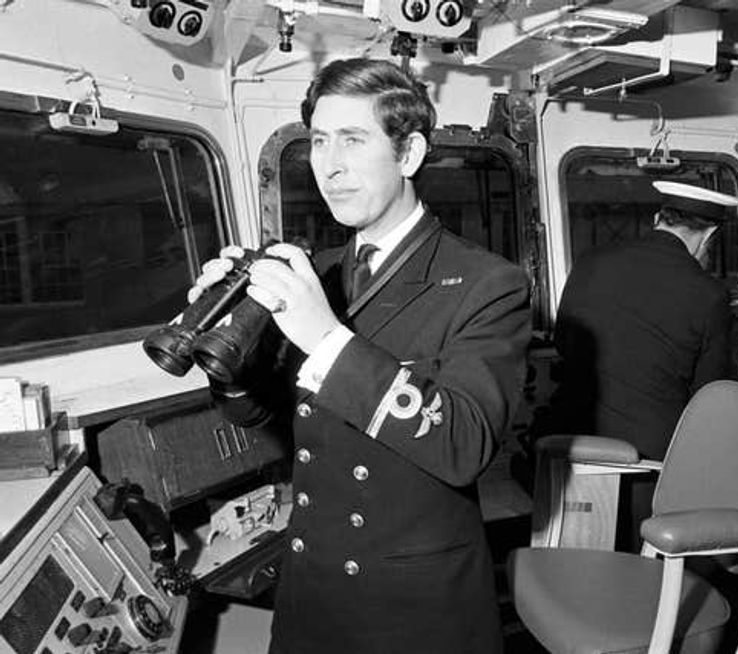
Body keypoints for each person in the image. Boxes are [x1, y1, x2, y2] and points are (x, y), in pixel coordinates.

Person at [189, 58, 531, 654]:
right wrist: (227, 361)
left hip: (412, 606)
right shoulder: (317, 273)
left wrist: (325, 338)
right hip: (310, 590)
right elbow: (271, 420)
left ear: (410, 154)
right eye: (319, 141)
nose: (330, 165)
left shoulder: (486, 283)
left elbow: (464, 445)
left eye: (353, 139)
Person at [545, 180, 738, 551]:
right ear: (709, 234)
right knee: (638, 566)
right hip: (650, 459)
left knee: (577, 557)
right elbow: (708, 392)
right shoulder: (709, 294)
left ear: (657, 219)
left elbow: (563, 344)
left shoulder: (590, 262)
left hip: (576, 443)